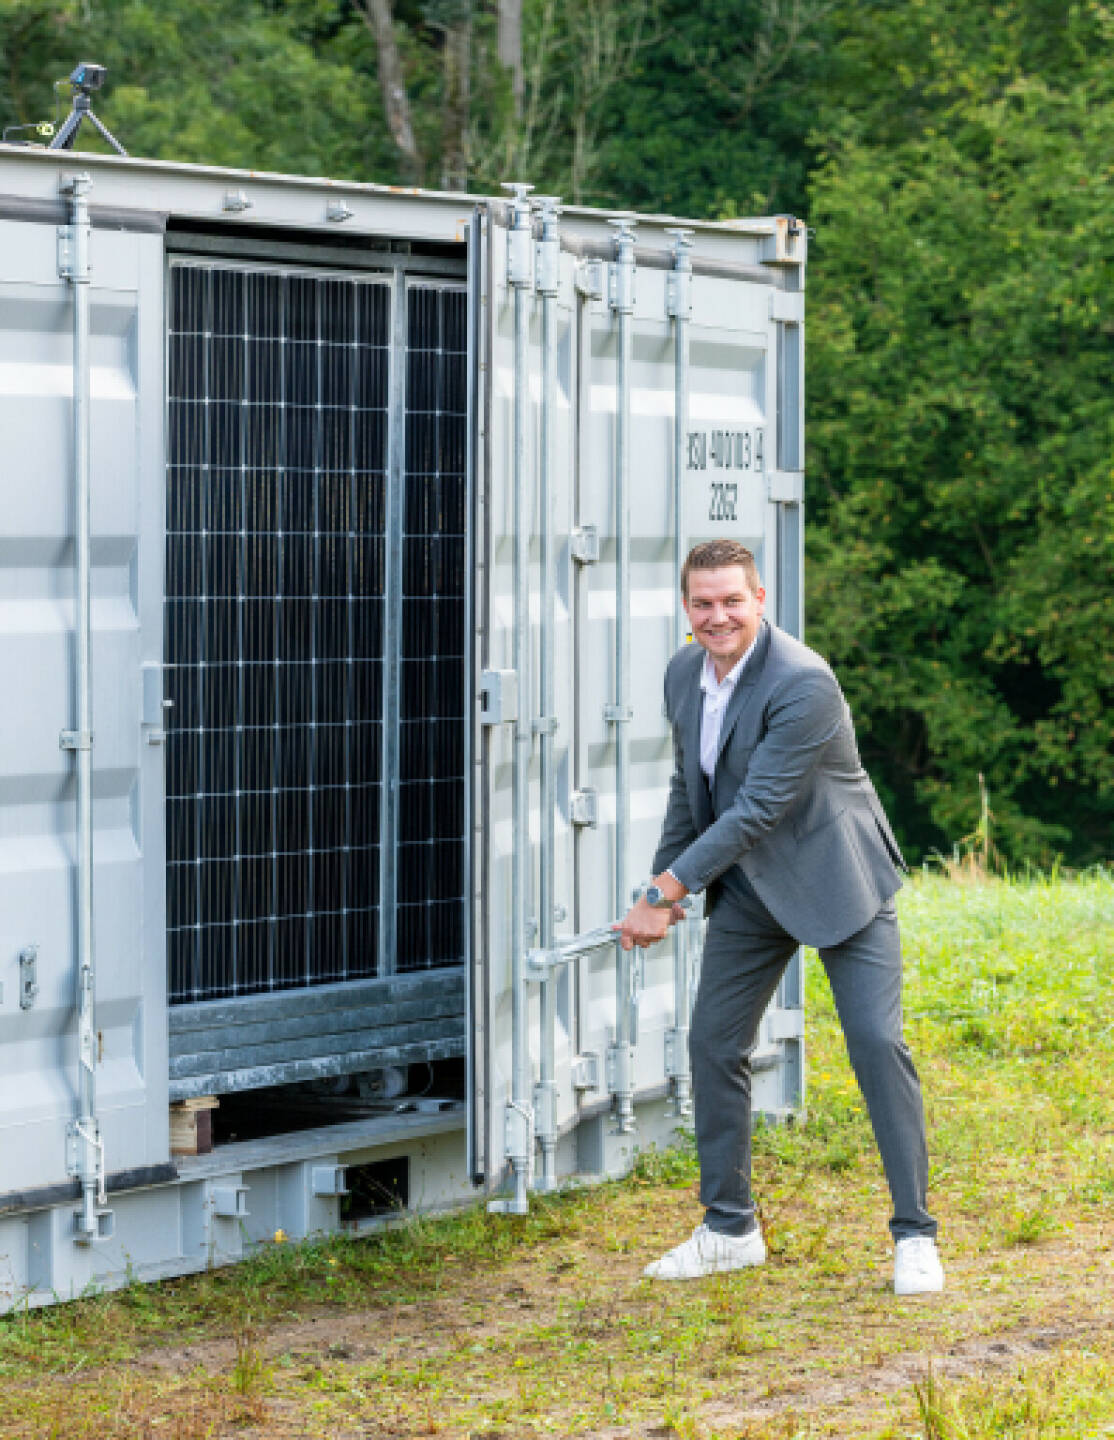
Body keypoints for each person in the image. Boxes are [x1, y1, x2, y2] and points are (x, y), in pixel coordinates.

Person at [617, 539, 942, 1295]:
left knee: (873, 1042)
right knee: (712, 1044)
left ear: (760, 599)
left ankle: (916, 1236)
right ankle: (729, 1229)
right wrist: (665, 888)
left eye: (732, 600)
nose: (717, 615)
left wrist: (665, 893)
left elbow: (759, 808)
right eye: (703, 603)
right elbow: (688, 792)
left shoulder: (804, 681)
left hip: (837, 880)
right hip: (752, 891)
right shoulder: (682, 673)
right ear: (686, 607)